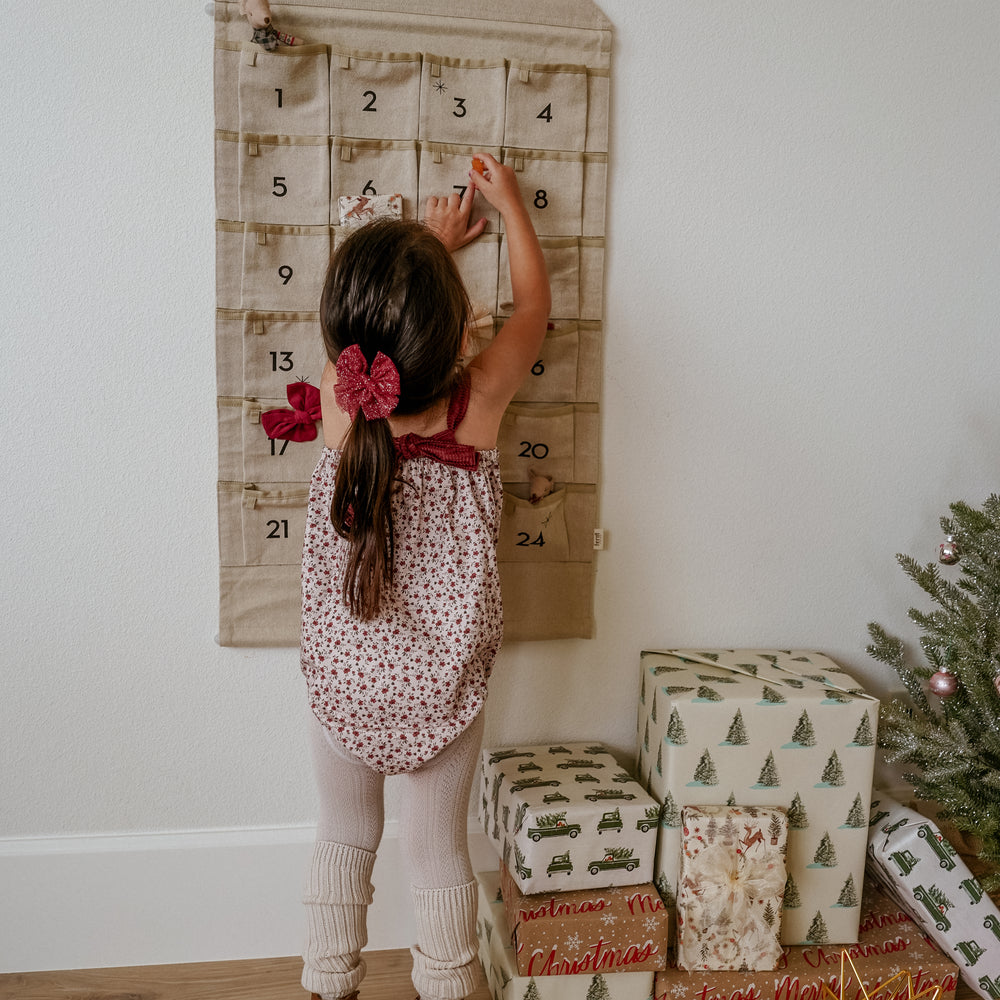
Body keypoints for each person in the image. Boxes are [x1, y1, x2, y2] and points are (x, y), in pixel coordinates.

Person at [300, 151, 550, 1000]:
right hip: (439, 691)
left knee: (344, 829)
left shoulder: (341, 405)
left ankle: (328, 982)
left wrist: (427, 254)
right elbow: (536, 309)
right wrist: (509, 210)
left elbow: (364, 328)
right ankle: (447, 986)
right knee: (437, 849)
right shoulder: (476, 404)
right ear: (452, 332)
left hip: (345, 679)